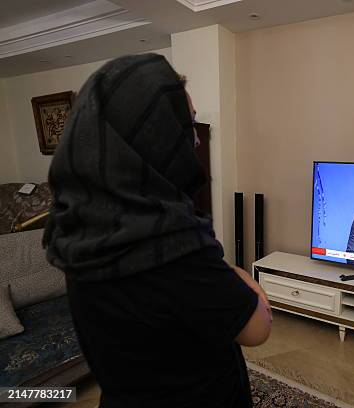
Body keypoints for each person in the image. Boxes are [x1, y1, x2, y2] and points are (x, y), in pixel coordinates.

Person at [43, 53, 271, 408]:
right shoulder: (175, 244)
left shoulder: (71, 225)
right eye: (186, 124)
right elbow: (257, 328)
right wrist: (240, 273)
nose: (195, 140)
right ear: (156, 137)